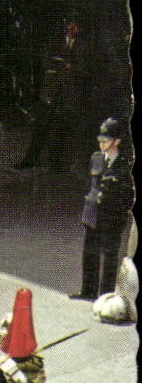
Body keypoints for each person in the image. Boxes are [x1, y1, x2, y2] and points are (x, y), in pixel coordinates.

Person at [17, 18, 91, 172]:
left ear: (79, 29)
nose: (71, 29)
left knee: (61, 130)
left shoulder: (83, 45)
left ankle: (55, 165)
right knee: (41, 126)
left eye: (75, 26)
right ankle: (30, 160)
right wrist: (66, 65)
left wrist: (63, 65)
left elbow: (83, 68)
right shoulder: (55, 41)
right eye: (69, 25)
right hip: (50, 92)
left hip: (68, 94)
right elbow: (45, 62)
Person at [75, 118, 133, 301]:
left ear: (116, 141)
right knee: (89, 253)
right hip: (93, 213)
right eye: (100, 140)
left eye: (105, 141)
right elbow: (90, 184)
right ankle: (88, 291)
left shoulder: (124, 165)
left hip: (112, 216)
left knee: (109, 257)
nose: (101, 144)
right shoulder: (96, 158)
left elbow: (128, 194)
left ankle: (105, 295)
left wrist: (121, 216)